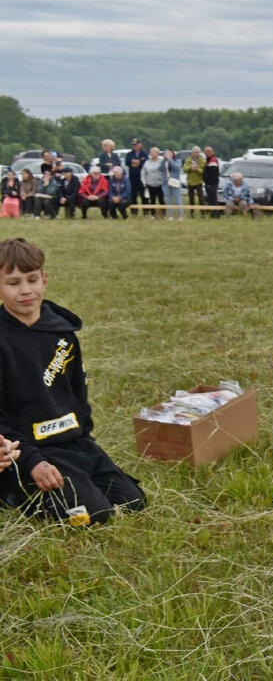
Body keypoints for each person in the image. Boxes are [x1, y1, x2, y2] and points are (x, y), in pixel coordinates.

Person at [0, 238, 146, 526]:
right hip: (29, 450)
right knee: (95, 516)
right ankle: (10, 491)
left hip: (74, 443)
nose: (26, 290)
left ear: (44, 280)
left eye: (32, 280)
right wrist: (30, 462)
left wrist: (86, 439)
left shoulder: (64, 333)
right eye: (14, 283)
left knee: (133, 501)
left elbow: (79, 392)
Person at [141, 147, 168, 219]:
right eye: (151, 152)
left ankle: (163, 214)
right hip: (150, 184)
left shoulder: (162, 162)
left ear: (157, 153)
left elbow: (166, 172)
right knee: (152, 200)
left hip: (160, 184)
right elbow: (143, 173)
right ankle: (153, 214)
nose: (151, 154)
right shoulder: (147, 162)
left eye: (153, 152)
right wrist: (144, 183)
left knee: (161, 200)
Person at [125, 138, 148, 214]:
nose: (134, 146)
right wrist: (137, 162)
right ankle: (134, 211)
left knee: (143, 195)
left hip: (142, 178)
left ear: (140, 144)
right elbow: (128, 162)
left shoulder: (144, 154)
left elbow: (145, 163)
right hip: (133, 178)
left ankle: (145, 211)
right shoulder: (129, 154)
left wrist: (138, 162)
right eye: (133, 144)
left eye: (136, 144)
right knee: (133, 195)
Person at [164, 148, 184, 220]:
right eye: (167, 153)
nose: (168, 154)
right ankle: (170, 215)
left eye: (169, 153)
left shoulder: (178, 160)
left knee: (178, 199)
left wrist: (169, 159)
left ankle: (180, 215)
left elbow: (176, 167)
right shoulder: (164, 161)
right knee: (168, 199)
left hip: (175, 182)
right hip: (166, 182)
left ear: (173, 153)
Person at [203, 147, 221, 218]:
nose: (205, 154)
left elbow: (213, 174)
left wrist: (209, 183)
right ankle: (213, 213)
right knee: (210, 199)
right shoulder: (208, 160)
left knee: (213, 199)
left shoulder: (213, 160)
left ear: (210, 152)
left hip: (212, 184)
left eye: (207, 152)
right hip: (209, 183)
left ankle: (216, 213)